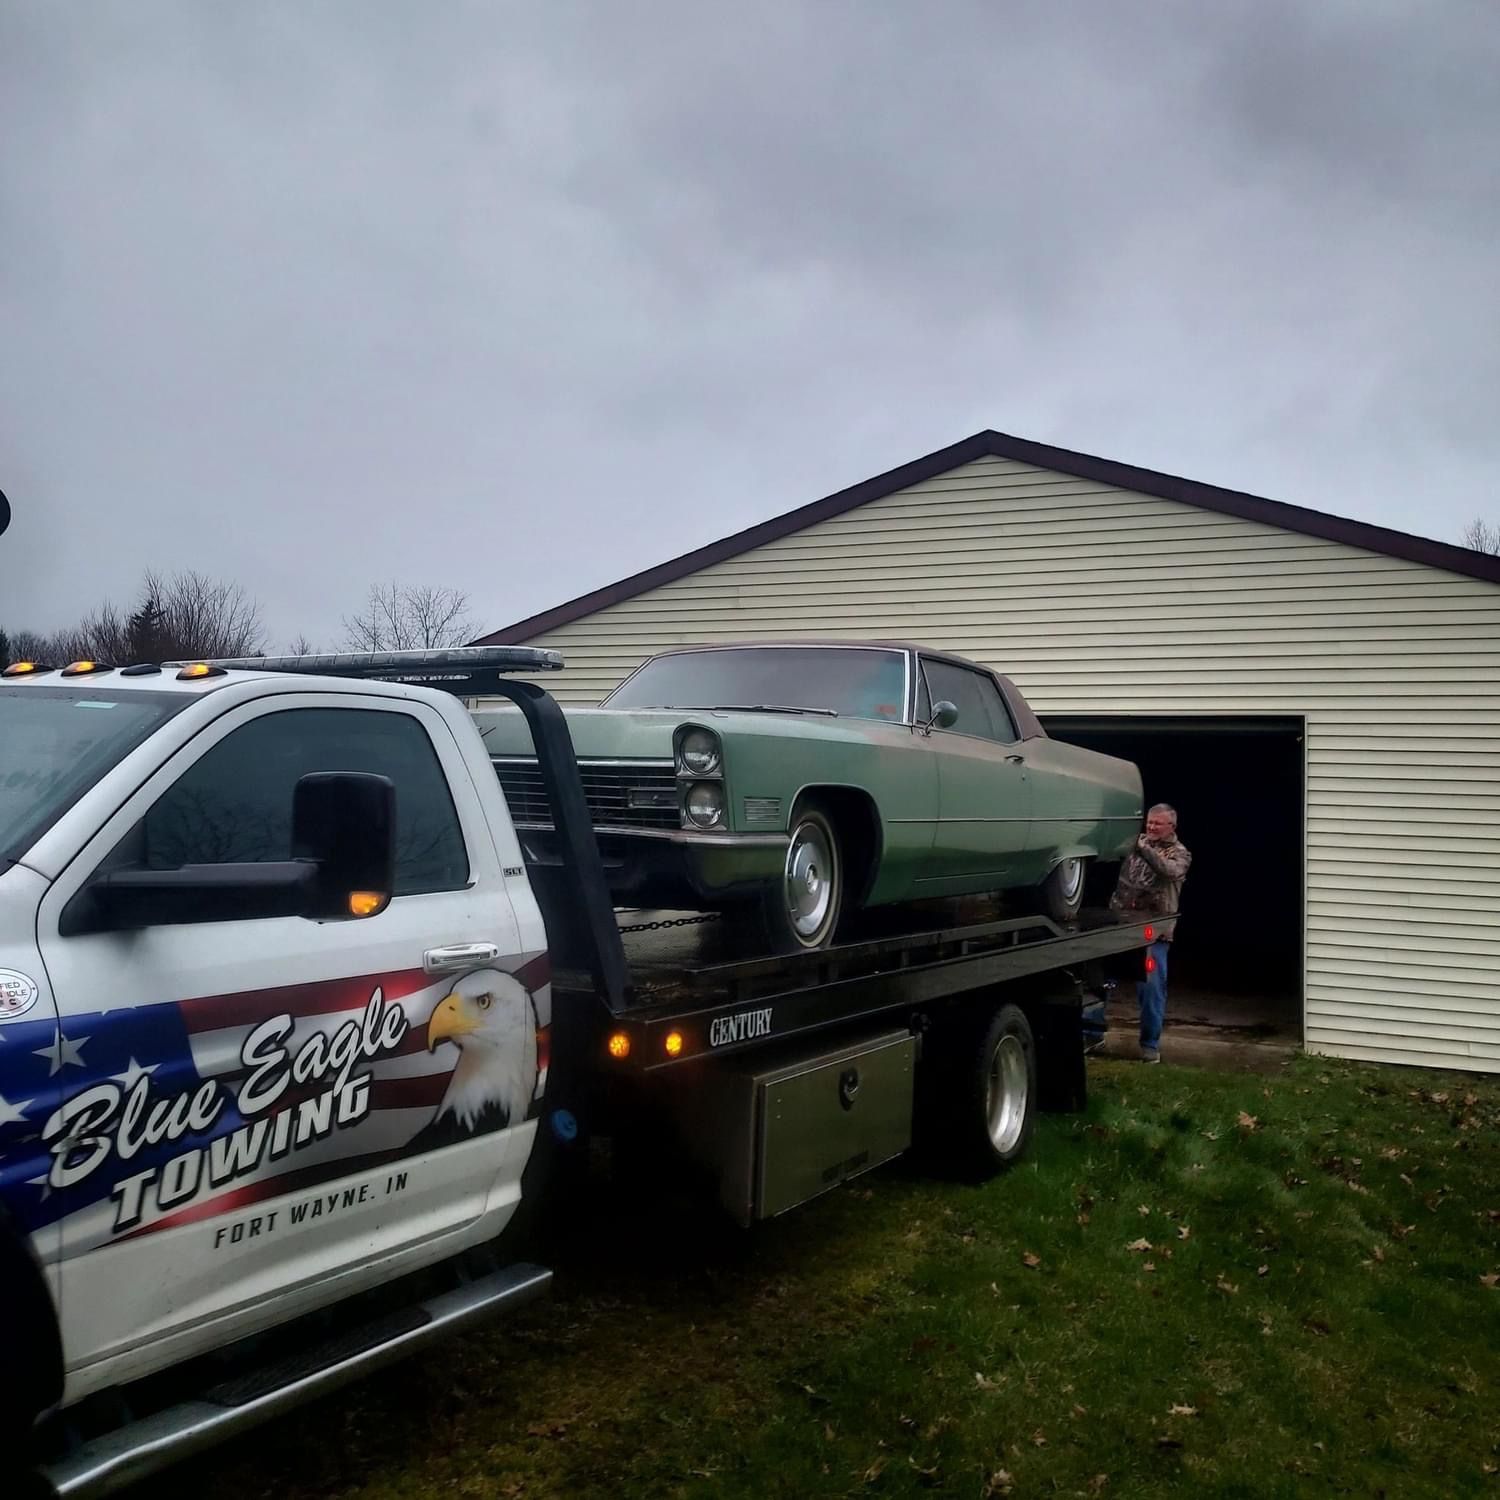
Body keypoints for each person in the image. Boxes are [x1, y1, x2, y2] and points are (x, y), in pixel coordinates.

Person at [1109, 803, 1192, 1063]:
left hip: (1153, 931)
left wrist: (1143, 848)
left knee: (1151, 988)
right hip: (1122, 923)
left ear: (1171, 827)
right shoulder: (1133, 844)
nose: (1151, 827)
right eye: (1149, 822)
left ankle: (1149, 1046)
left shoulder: (1180, 854)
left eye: (1158, 823)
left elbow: (1169, 871)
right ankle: (1091, 1033)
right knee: (1102, 979)